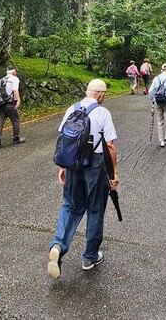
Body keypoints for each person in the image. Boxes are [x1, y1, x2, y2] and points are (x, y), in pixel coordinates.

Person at [48, 78, 119, 279]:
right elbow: (110, 146)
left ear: (87, 92)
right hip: (96, 165)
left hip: (73, 163)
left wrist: (63, 166)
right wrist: (114, 173)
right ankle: (89, 256)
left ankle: (58, 245)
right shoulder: (103, 113)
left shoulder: (72, 109)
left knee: (71, 205)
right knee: (95, 208)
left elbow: (64, 139)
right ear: (102, 94)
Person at [0, 65, 25, 148]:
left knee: (0, 122)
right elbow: (15, 90)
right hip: (10, 104)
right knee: (15, 120)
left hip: (1, 104)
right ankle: (16, 138)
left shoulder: (2, 80)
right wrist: (18, 100)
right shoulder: (14, 79)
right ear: (14, 71)